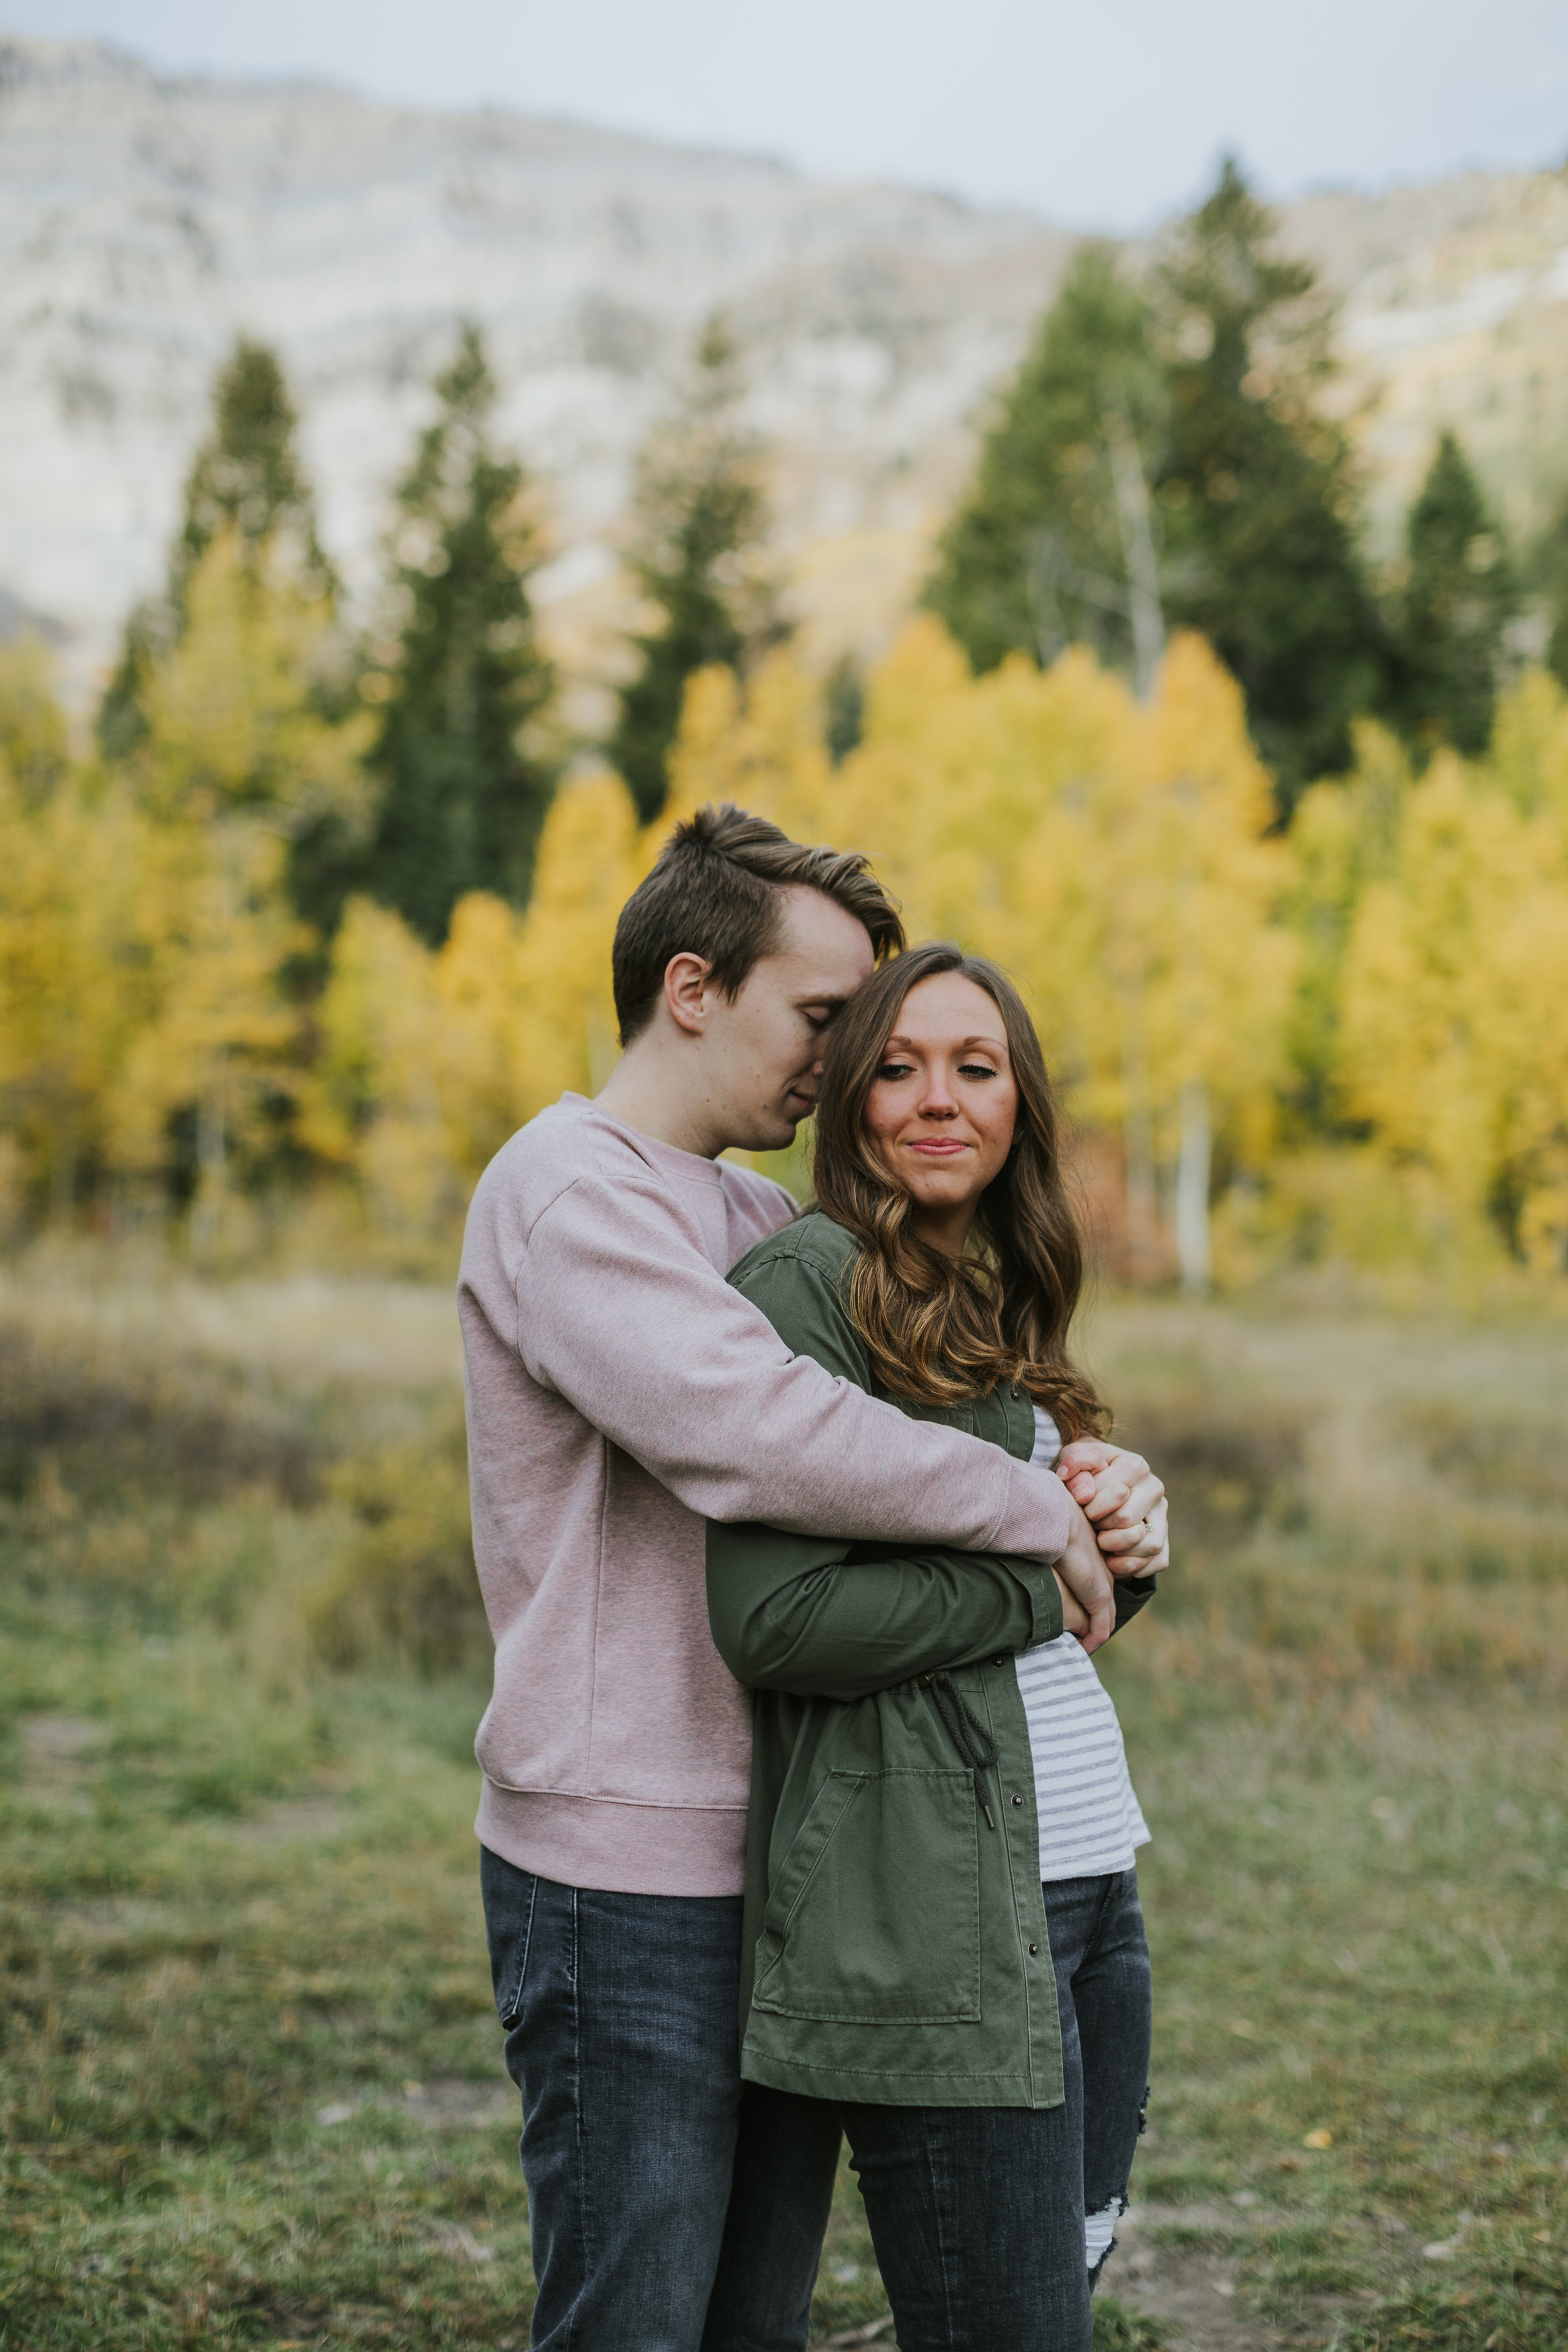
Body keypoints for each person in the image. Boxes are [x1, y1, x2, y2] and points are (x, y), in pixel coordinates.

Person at [459, 807, 1167, 2352]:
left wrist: (1090, 1490)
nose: (842, 1067)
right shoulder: (573, 1192)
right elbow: (756, 1433)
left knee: (743, 2318)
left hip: (778, 1846)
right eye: (826, 1022)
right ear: (694, 988)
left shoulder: (762, 1212)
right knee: (635, 2316)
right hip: (622, 1864)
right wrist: (1024, 1512)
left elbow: (917, 1439)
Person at [706, 940, 1162, 2352]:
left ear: (1019, 1097)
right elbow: (775, 1620)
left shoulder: (1000, 1289)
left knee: (1053, 2293)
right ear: (844, 1099)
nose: (934, 1099)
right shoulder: (806, 1286)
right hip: (944, 1909)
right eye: (893, 1068)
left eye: (973, 1068)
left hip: (1089, 1881)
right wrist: (1042, 1570)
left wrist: (1122, 1536)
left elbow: (1058, 1608)